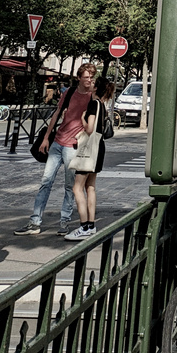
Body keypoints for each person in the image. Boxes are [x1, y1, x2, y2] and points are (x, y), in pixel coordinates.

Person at [14, 63, 96, 236]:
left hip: (74, 146)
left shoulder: (92, 97)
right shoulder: (70, 93)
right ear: (79, 78)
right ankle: (35, 221)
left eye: (91, 77)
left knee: (70, 186)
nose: (89, 80)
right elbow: (57, 114)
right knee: (46, 181)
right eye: (86, 77)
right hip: (58, 142)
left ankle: (64, 222)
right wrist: (46, 138)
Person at [65, 76, 115, 240]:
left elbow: (89, 128)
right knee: (90, 187)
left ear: (96, 88)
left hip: (88, 151)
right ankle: (91, 225)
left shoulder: (94, 104)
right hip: (99, 149)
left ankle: (84, 226)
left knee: (77, 188)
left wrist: (82, 118)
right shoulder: (102, 105)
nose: (90, 84)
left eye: (93, 83)